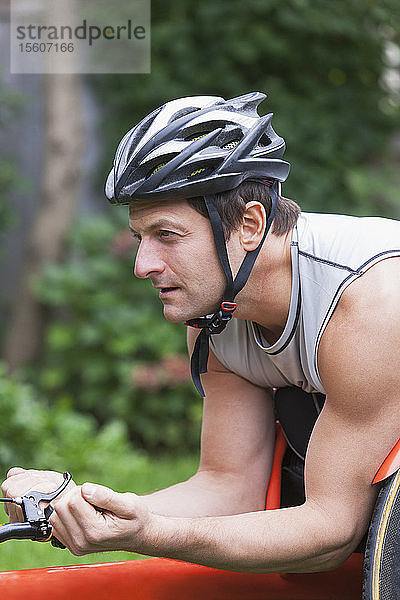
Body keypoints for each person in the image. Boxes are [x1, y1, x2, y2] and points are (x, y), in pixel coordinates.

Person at [2, 92, 400, 573]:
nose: (142, 265)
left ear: (250, 225)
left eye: (166, 235)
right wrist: (93, 512)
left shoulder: (371, 302)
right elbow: (230, 487)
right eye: (140, 237)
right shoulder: (216, 315)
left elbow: (331, 532)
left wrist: (152, 533)